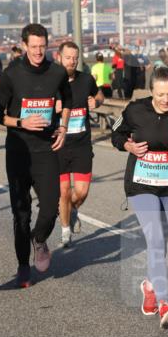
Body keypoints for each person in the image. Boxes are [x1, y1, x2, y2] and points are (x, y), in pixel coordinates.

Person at [111, 66, 168, 328]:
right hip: (141, 185)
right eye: (161, 94)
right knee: (155, 238)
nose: (166, 99)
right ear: (151, 91)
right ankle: (164, 302)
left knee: (161, 241)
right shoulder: (135, 110)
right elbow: (115, 133)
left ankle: (149, 287)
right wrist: (128, 145)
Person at [0, 23, 71, 288]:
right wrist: (21, 122)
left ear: (47, 45)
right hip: (18, 151)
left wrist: (63, 127)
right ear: (24, 45)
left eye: (42, 46)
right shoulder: (12, 73)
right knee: (21, 213)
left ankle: (39, 239)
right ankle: (23, 267)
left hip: (46, 149)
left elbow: (68, 100)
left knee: (51, 205)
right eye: (33, 47)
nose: (38, 52)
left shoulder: (57, 72)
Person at [55, 41, 103, 247]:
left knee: (81, 192)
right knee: (64, 191)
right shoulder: (51, 82)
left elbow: (100, 94)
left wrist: (97, 101)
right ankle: (65, 231)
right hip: (59, 145)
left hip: (82, 144)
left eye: (75, 58)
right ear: (59, 58)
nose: (72, 61)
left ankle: (71, 210)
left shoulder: (86, 79)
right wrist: (52, 107)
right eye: (68, 57)